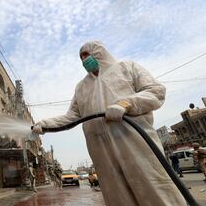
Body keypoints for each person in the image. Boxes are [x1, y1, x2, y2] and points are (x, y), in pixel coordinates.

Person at [32, 41, 186, 206]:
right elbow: (72, 116)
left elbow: (156, 92)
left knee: (153, 188)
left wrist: (125, 104)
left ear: (99, 53)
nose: (84, 61)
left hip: (135, 143)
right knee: (118, 196)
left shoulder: (127, 68)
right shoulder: (82, 87)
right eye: (81, 58)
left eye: (87, 55)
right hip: (101, 151)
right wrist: (46, 124)